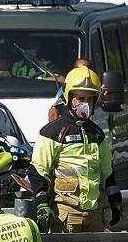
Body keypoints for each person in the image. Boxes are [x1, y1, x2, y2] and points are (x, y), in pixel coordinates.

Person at [29, 66, 121, 233]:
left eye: (90, 99)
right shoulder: (52, 132)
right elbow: (38, 170)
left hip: (94, 213)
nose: (85, 104)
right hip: (65, 212)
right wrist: (42, 204)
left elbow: (107, 172)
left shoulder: (97, 133)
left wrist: (115, 200)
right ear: (69, 97)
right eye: (80, 98)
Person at [48, 58, 92, 124]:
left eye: (87, 68)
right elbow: (54, 109)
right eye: (79, 69)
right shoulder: (66, 87)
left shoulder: (99, 87)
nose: (83, 71)